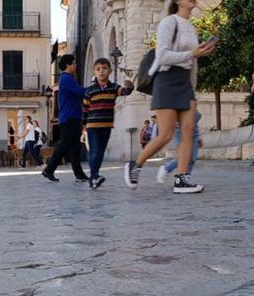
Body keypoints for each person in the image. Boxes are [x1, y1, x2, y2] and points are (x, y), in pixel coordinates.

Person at [124, 0, 216, 193]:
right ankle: (135, 165)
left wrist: (193, 86)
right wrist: (193, 52)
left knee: (188, 132)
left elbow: (193, 60)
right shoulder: (169, 22)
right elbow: (163, 55)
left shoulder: (190, 27)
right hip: (167, 79)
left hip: (185, 82)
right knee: (165, 134)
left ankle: (182, 179)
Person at [82, 57, 134, 189]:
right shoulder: (89, 91)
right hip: (92, 126)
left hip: (106, 125)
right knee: (94, 150)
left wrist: (130, 86)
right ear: (94, 72)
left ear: (110, 71)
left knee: (100, 152)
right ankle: (94, 177)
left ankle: (94, 176)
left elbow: (125, 92)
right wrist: (83, 127)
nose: (101, 71)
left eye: (104, 68)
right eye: (98, 69)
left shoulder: (113, 88)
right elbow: (85, 110)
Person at [42, 54, 90, 183]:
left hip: (71, 117)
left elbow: (79, 96)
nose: (75, 66)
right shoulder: (66, 79)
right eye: (74, 63)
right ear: (68, 65)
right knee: (64, 145)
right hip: (70, 118)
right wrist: (95, 87)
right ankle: (48, 170)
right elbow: (81, 92)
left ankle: (79, 175)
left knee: (75, 148)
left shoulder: (67, 79)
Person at [157, 110, 202, 183]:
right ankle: (166, 168)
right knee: (184, 156)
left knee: (193, 157)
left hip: (194, 130)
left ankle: (185, 178)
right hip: (180, 129)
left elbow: (194, 118)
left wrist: (199, 137)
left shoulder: (191, 102)